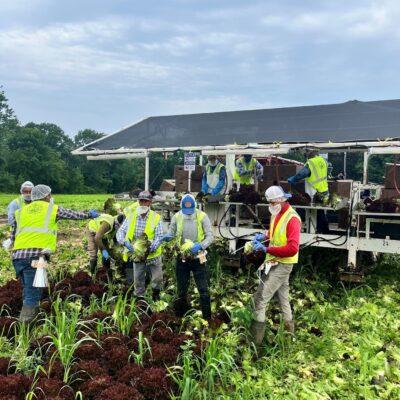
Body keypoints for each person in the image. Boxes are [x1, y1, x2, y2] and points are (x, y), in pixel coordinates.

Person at [10, 184, 99, 323]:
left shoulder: (20, 212)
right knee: (33, 291)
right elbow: (73, 215)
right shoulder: (51, 209)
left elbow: (13, 236)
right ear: (46, 196)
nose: (51, 197)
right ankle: (25, 327)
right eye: (50, 195)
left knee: (28, 288)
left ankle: (33, 319)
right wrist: (88, 214)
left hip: (17, 257)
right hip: (37, 257)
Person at [249, 186, 301, 355]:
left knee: (260, 300)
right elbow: (273, 235)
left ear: (281, 200)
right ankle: (288, 340)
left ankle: (255, 346)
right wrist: (263, 238)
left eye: (272, 202)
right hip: (273, 262)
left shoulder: (292, 219)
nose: (270, 205)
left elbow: (292, 248)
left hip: (283, 264)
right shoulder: (276, 214)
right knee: (283, 300)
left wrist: (267, 250)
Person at [162, 194, 214, 320]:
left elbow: (210, 236)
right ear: (181, 208)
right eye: (186, 212)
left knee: (203, 289)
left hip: (199, 256)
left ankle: (207, 318)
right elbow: (171, 232)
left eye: (190, 212)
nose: (188, 214)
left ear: (195, 206)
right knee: (182, 289)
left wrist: (201, 245)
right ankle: (181, 317)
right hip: (182, 257)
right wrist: (167, 236)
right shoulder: (177, 216)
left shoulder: (202, 216)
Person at [116, 191, 163, 301]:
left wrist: (150, 248)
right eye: (141, 201)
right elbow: (120, 231)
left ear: (150, 203)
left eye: (145, 201)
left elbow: (159, 236)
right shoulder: (131, 216)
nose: (143, 204)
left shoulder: (156, 217)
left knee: (157, 279)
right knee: (138, 280)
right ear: (138, 202)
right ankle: (139, 301)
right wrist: (124, 242)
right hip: (137, 254)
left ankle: (156, 295)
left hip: (153, 255)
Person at [86, 213, 125, 278]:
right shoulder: (107, 224)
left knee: (107, 254)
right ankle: (93, 276)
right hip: (92, 230)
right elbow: (97, 238)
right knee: (93, 252)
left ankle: (106, 273)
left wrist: (118, 250)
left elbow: (115, 239)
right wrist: (103, 250)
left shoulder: (116, 227)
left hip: (101, 234)